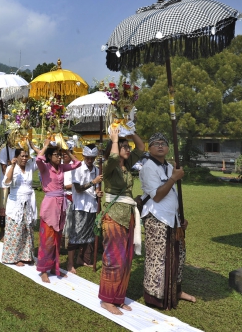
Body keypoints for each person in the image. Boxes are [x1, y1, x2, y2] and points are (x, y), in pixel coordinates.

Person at [140, 132, 195, 309]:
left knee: (177, 255)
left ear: (168, 147)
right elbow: (156, 196)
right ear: (149, 148)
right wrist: (173, 178)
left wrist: (180, 218)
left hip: (172, 218)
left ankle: (176, 291)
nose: (160, 145)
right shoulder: (148, 167)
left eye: (163, 143)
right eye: (155, 143)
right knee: (158, 258)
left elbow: (173, 194)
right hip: (157, 218)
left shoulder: (170, 166)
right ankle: (156, 296)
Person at [98, 126, 144, 315]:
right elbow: (115, 157)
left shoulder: (127, 164)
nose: (127, 148)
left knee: (126, 260)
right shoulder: (109, 167)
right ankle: (107, 299)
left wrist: (132, 131)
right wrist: (115, 139)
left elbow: (141, 147)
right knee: (113, 259)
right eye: (123, 146)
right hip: (113, 216)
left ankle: (119, 298)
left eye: (127, 145)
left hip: (128, 216)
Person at [35, 139, 81, 283]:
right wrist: (47, 145)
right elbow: (38, 158)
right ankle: (43, 270)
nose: (59, 157)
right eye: (56, 155)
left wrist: (66, 150)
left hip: (61, 205)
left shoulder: (61, 168)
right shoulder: (45, 167)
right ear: (49, 156)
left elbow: (77, 164)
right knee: (47, 238)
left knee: (57, 239)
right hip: (50, 205)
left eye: (60, 155)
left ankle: (55, 267)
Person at [66, 144, 104, 274]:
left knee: (89, 234)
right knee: (75, 235)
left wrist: (98, 192)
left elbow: (97, 188)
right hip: (80, 206)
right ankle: (70, 263)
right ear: (83, 156)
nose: (90, 160)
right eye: (88, 157)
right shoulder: (77, 168)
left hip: (92, 206)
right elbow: (77, 188)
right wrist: (93, 182)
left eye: (92, 158)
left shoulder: (98, 170)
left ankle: (81, 259)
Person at [1, 147, 37, 266]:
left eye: (26, 156)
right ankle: (14, 257)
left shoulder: (30, 167)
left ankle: (26, 256)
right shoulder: (13, 168)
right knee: (16, 229)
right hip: (15, 203)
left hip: (28, 202)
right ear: (16, 157)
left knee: (27, 229)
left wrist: (34, 145)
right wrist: (11, 165)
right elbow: (6, 182)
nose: (24, 158)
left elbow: (41, 157)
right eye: (22, 156)